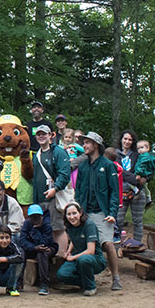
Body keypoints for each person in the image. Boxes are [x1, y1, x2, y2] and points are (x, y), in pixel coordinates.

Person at [75, 131, 122, 291]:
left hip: (103, 213)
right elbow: (78, 191)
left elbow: (115, 192)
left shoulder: (108, 165)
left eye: (87, 143)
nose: (84, 145)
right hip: (85, 212)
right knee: (83, 245)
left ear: (95, 145)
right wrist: (78, 210)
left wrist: (112, 213)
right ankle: (86, 279)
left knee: (107, 244)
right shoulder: (83, 166)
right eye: (84, 143)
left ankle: (116, 278)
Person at [31, 124, 71, 252]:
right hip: (40, 198)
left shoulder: (58, 152)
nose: (41, 136)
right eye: (38, 134)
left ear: (50, 135)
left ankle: (61, 255)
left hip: (55, 196)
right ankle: (50, 255)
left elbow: (65, 174)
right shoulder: (36, 155)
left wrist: (56, 188)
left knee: (58, 228)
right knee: (45, 228)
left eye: (44, 134)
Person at [57, 201, 107, 295]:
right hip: (77, 257)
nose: (72, 217)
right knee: (62, 274)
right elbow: (74, 239)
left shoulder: (89, 225)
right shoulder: (69, 225)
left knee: (84, 260)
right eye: (69, 214)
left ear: (80, 213)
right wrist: (68, 251)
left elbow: (90, 251)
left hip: (94, 258)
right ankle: (85, 281)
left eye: (74, 213)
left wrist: (73, 257)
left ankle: (91, 287)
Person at [19, 204, 58, 295]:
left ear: (41, 216)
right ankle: (18, 282)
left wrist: (35, 230)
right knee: (21, 252)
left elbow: (45, 242)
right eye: (33, 217)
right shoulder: (27, 224)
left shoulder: (47, 225)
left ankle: (44, 284)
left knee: (42, 253)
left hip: (48, 247)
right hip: (33, 247)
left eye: (37, 216)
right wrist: (33, 247)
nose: (35, 219)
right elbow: (22, 240)